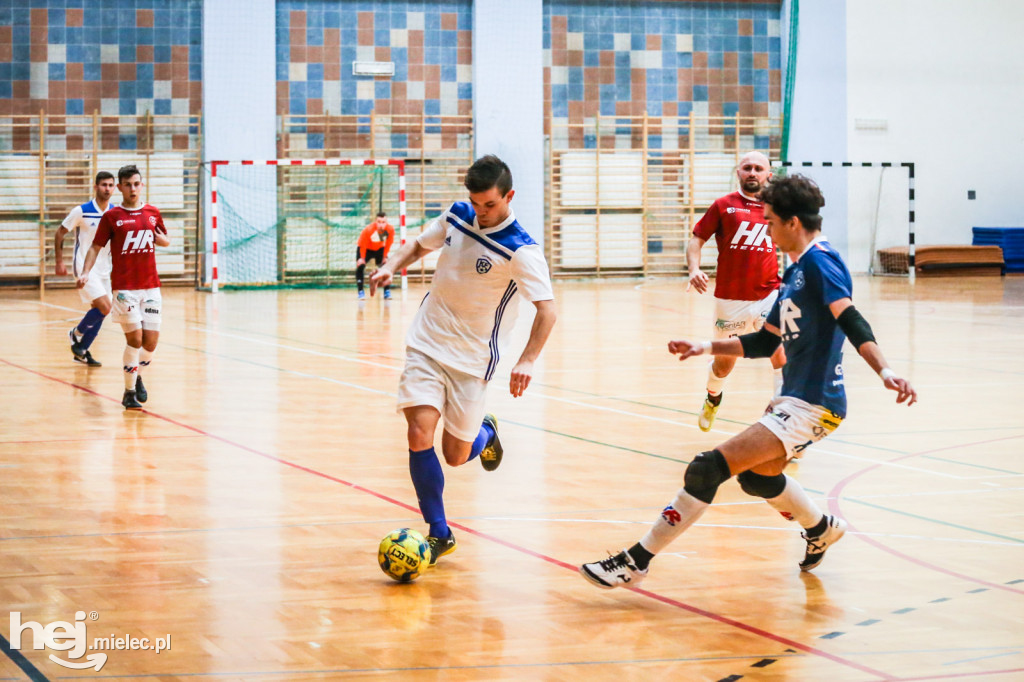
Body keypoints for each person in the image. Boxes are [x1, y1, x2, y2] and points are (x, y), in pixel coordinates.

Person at [580, 174, 916, 588]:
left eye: (771, 221)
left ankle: (635, 561)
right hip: (796, 401)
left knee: (706, 469)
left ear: (793, 222)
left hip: (813, 404)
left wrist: (885, 370)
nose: (766, 230)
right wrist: (704, 346)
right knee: (757, 478)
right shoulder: (795, 271)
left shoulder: (820, 262)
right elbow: (762, 341)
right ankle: (820, 529)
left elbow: (850, 317)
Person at [369, 155, 557, 565]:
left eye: (489, 205)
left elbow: (547, 310)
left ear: (508, 196)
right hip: (427, 341)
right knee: (419, 433)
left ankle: (485, 434)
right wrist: (390, 267)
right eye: (476, 203)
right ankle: (440, 532)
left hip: (472, 360)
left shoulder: (521, 249)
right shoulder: (458, 215)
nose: (481, 212)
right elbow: (420, 243)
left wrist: (526, 360)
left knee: (455, 455)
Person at [687, 151, 786, 431]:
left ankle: (782, 411)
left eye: (758, 168)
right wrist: (694, 270)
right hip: (730, 300)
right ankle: (712, 397)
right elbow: (696, 241)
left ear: (769, 174)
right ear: (738, 172)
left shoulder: (777, 207)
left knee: (778, 348)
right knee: (723, 366)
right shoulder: (723, 205)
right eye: (747, 168)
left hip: (769, 293)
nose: (752, 172)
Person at [77, 165, 170, 411]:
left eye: (136, 184)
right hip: (125, 288)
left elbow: (165, 239)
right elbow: (96, 247)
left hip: (151, 288)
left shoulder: (152, 212)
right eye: (127, 184)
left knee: (150, 345)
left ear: (142, 185)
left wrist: (159, 238)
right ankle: (128, 392)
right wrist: (86, 272)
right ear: (120, 187)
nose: (132, 188)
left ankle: (136, 373)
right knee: (135, 339)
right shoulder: (112, 216)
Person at [55, 171, 117, 366]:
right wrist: (59, 261)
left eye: (110, 185)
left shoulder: (115, 212)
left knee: (102, 311)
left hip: (105, 268)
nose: (107, 188)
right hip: (84, 267)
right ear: (96, 187)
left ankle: (82, 351)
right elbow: (59, 233)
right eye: (104, 185)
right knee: (105, 307)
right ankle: (76, 333)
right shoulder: (81, 211)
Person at [356, 211, 395, 300]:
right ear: (375, 222)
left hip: (379, 248)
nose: (381, 225)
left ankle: (387, 291)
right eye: (379, 222)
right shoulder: (368, 230)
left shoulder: (390, 230)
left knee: (386, 266)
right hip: (366, 249)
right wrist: (362, 258)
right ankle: (361, 292)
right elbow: (363, 244)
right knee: (360, 266)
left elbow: (388, 243)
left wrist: (385, 256)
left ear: (386, 222)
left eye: (383, 222)